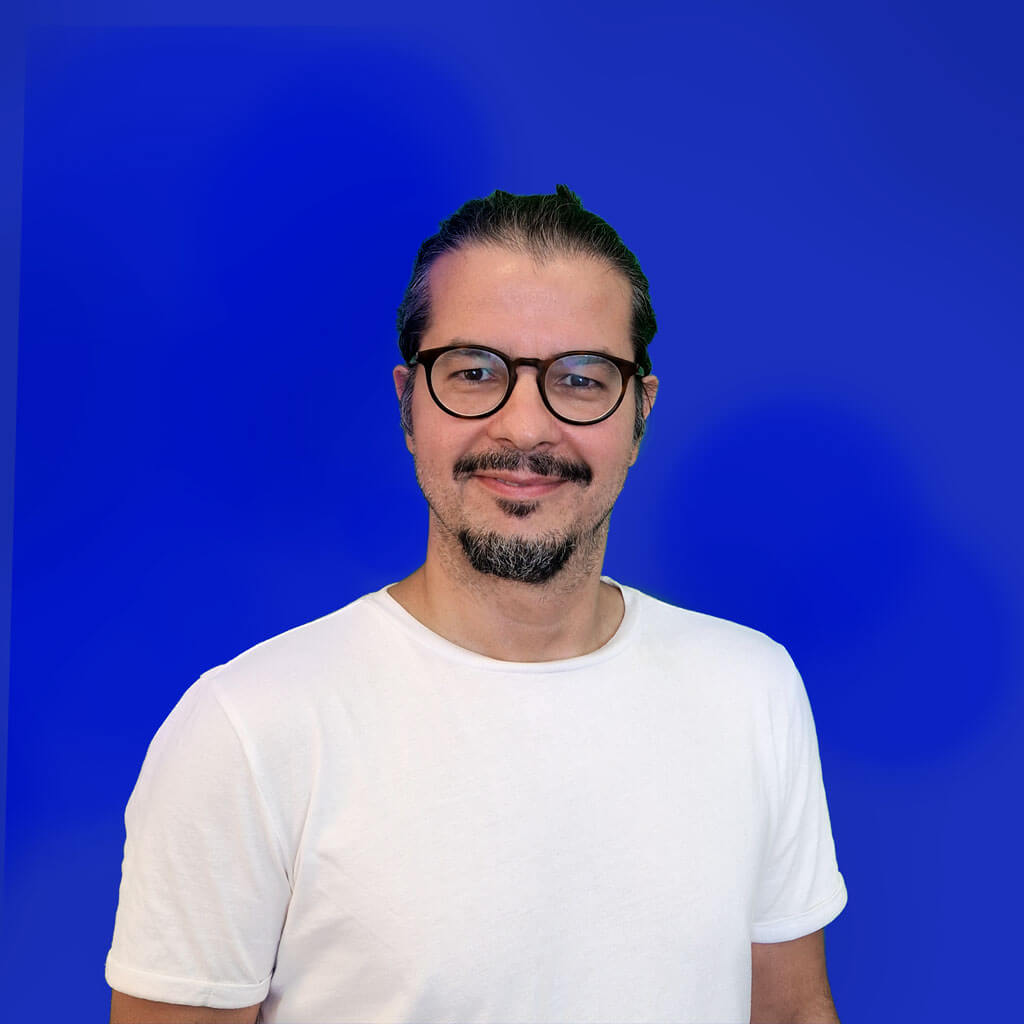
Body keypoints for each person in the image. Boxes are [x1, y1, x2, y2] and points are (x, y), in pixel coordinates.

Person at [106, 185, 847, 1024]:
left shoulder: (751, 690)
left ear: (640, 413)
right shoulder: (247, 729)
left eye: (580, 378)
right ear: (408, 404)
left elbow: (791, 1012)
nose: (524, 428)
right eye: (474, 373)